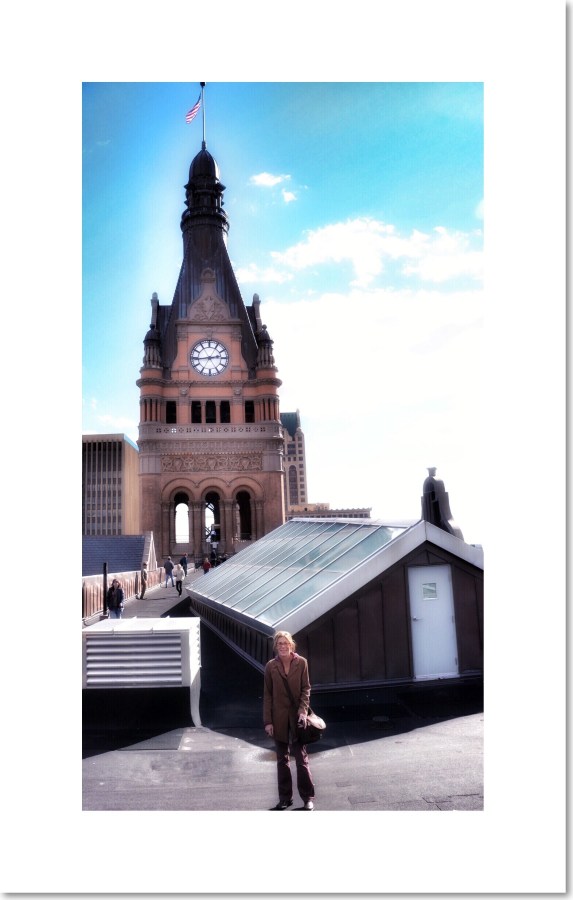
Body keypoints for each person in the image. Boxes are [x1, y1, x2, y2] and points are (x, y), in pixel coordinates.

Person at [263, 631, 315, 811]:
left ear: (291, 645)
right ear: (276, 647)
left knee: (301, 759)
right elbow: (268, 695)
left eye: (286, 643)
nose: (283, 646)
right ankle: (285, 798)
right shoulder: (271, 666)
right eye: (279, 644)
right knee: (282, 760)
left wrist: (302, 711)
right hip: (278, 719)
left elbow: (306, 689)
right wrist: (268, 721)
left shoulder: (302, 663)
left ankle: (308, 798)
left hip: (298, 719)